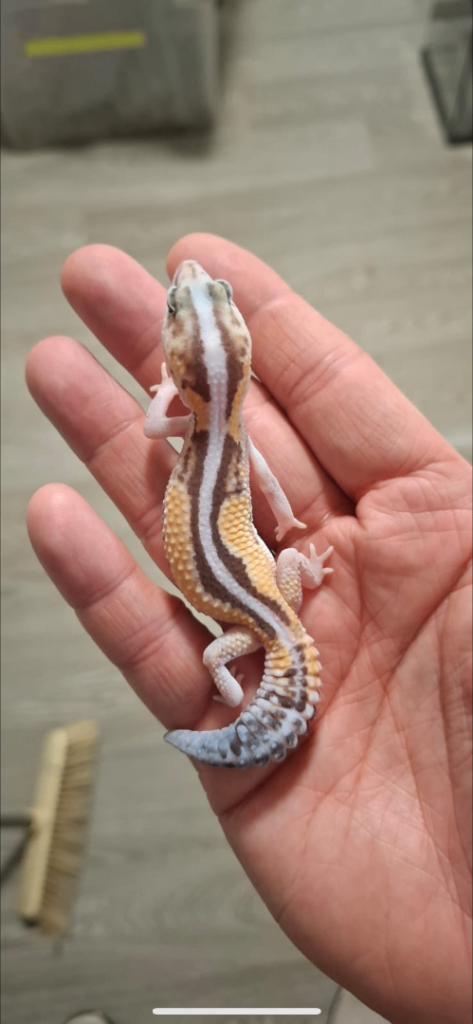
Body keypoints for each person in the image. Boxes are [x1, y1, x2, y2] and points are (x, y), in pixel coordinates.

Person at [26, 235, 472, 1024]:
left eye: (211, 300)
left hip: (255, 600)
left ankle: (241, 717)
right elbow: (264, 483)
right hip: (268, 594)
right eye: (192, 304)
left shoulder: (193, 427)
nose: (197, 287)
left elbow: (149, 434)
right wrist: (286, 556)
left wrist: (166, 397)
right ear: (244, 355)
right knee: (221, 661)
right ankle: (242, 705)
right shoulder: (231, 437)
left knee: (226, 662)